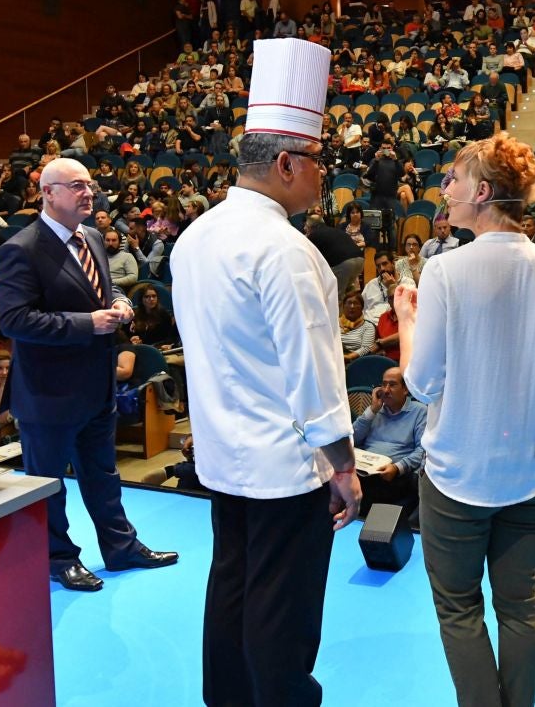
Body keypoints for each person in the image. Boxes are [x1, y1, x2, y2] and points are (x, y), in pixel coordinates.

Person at [170, 39, 359, 706]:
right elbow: (313, 373)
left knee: (232, 591)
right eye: (318, 161)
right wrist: (341, 463)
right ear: (286, 162)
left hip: (223, 453)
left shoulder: (195, 236)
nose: (323, 174)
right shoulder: (286, 248)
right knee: (282, 614)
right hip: (284, 464)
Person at [393, 129, 535, 707]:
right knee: (520, 603)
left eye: (452, 179)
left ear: (482, 191)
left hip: (457, 477)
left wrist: (408, 321)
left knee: (459, 609)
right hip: (531, 478)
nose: (444, 188)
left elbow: (422, 382)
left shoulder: (446, 273)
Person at [0, 157, 177, 594]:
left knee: (104, 474)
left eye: (90, 184)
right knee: (49, 484)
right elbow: (15, 321)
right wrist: (87, 323)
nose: (88, 192)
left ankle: (120, 547)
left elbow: (102, 288)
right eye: (76, 186)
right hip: (49, 394)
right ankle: (58, 558)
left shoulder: (92, 236)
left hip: (98, 385)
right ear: (49, 193)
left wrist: (120, 303)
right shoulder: (21, 248)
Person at [352, 367, 426, 517]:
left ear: (406, 389)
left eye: (392, 385)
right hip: (364, 469)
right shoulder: (375, 410)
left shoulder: (420, 411)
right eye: (383, 384)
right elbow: (352, 439)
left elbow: (422, 450)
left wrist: (398, 468)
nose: (385, 390)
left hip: (394, 473)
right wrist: (372, 410)